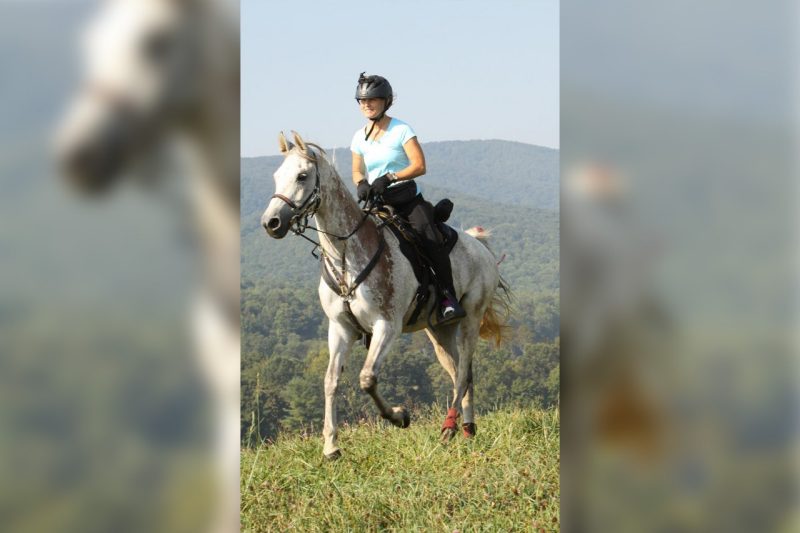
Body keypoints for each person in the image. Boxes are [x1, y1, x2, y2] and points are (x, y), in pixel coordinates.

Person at [350, 72, 466, 323]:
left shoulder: (401, 129)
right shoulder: (359, 137)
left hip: (407, 199)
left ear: (386, 101)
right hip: (378, 202)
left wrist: (389, 177)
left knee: (430, 238)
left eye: (373, 100)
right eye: (362, 101)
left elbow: (419, 165)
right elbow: (357, 169)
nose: (367, 105)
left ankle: (448, 298)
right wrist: (361, 183)